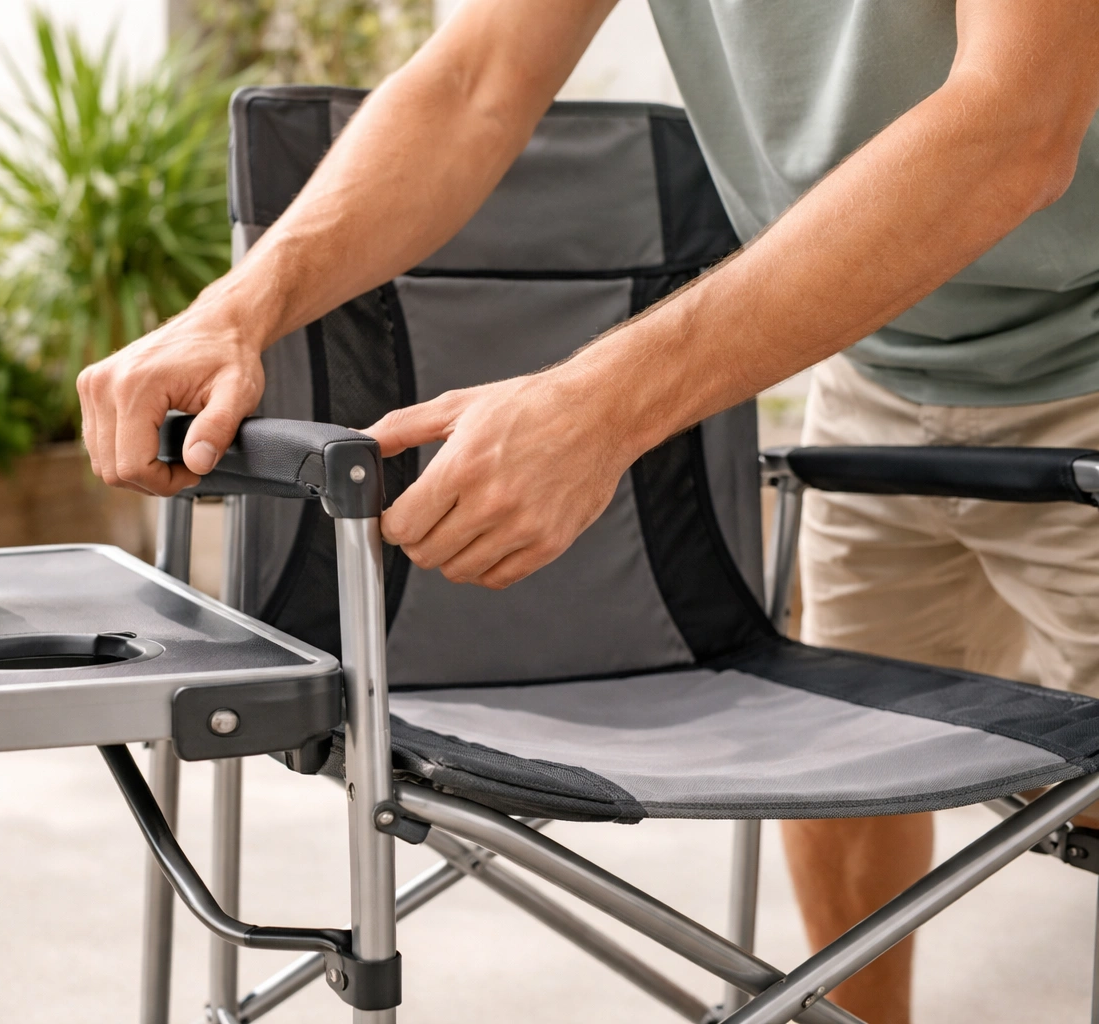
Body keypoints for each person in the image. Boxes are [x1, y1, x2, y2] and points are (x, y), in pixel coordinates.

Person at [76, 2, 1099, 1020]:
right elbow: (477, 79)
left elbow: (1015, 121)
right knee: (871, 757)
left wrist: (598, 407)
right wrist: (235, 308)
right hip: (876, 354)